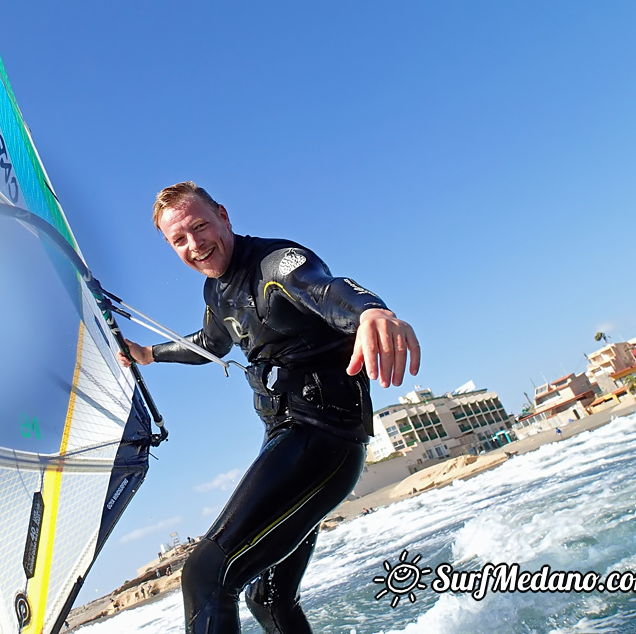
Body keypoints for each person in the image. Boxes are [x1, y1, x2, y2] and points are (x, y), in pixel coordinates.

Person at [117, 182, 420, 633]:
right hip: (284, 438)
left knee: (206, 574)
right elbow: (208, 344)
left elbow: (326, 290)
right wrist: (149, 355)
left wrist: (372, 312)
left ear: (224, 215)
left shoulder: (277, 262)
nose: (195, 245)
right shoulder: (214, 293)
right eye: (179, 239)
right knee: (268, 598)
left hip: (323, 439)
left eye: (200, 227)